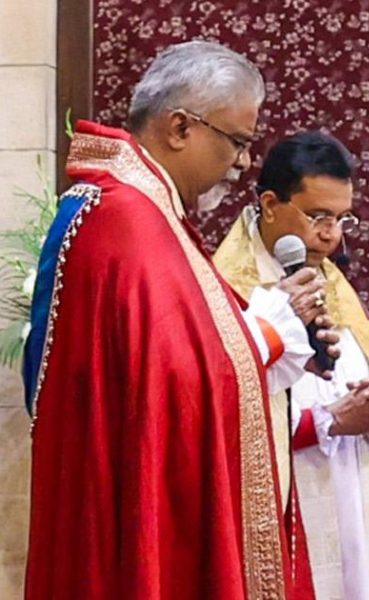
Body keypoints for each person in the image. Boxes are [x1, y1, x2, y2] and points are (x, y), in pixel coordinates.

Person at [22, 41, 338, 599]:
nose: (242, 163)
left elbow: (179, 354)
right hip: (118, 510)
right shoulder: (126, 218)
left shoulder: (145, 210)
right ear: (180, 127)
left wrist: (275, 326)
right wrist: (270, 331)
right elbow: (168, 386)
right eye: (238, 142)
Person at [214, 131, 369, 600]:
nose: (331, 234)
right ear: (269, 204)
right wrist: (329, 422)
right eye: (318, 216)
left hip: (360, 504)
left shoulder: (332, 284)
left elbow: (363, 384)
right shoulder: (227, 291)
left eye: (343, 219)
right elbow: (220, 423)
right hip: (292, 504)